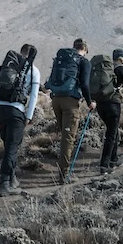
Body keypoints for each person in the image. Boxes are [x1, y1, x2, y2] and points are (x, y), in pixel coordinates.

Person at [0, 44, 40, 197]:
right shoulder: (33, 70)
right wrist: (29, 115)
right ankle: (5, 184)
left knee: (8, 145)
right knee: (12, 147)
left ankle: (12, 180)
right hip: (16, 110)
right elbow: (33, 95)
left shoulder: (7, 66)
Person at [44, 39, 95, 184]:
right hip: (70, 102)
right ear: (85, 49)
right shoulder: (83, 61)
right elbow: (85, 84)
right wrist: (90, 101)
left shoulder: (63, 59)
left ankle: (63, 170)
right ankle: (64, 175)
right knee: (68, 139)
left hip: (56, 100)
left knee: (64, 136)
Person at [92, 50, 123, 176]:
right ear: (121, 59)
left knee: (113, 131)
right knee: (111, 134)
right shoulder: (122, 71)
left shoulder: (106, 70)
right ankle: (104, 165)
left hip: (100, 104)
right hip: (113, 104)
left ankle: (113, 160)